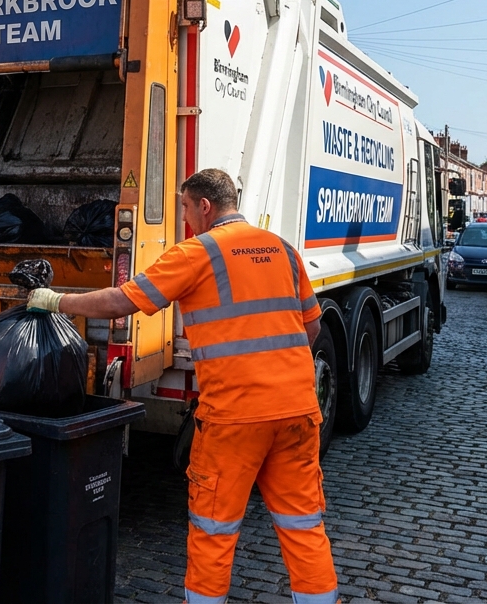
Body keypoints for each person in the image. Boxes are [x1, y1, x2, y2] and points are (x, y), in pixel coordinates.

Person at [27, 169, 338, 604]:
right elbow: (310, 330)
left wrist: (54, 300)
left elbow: (123, 301)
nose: (186, 219)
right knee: (303, 525)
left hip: (234, 417)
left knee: (215, 529)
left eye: (186, 209)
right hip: (298, 411)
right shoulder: (284, 250)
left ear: (204, 206)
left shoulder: (197, 253)